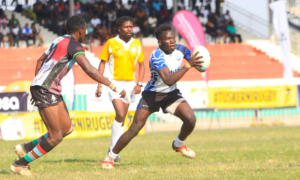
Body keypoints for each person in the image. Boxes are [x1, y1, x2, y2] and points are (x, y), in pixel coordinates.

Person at [10, 15, 126, 175]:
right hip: (46, 89)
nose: (85, 32)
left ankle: (25, 148)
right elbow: (89, 69)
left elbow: (39, 60)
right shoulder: (74, 45)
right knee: (56, 137)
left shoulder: (58, 40)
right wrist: (112, 85)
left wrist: (36, 84)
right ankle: (20, 164)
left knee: (66, 128)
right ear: (80, 30)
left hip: (46, 88)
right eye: (85, 29)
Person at [100, 24, 204, 169]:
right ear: (160, 42)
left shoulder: (181, 49)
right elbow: (168, 80)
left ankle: (178, 144)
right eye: (168, 39)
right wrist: (188, 65)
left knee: (191, 119)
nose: (172, 41)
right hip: (152, 95)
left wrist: (203, 60)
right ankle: (109, 158)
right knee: (134, 129)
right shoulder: (156, 56)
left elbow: (195, 61)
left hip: (171, 95)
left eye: (173, 38)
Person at [95, 16, 145, 162]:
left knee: (122, 118)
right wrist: (100, 84)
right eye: (126, 27)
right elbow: (102, 63)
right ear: (119, 29)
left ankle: (113, 151)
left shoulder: (137, 44)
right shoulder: (111, 43)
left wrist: (139, 84)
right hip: (113, 83)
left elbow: (142, 65)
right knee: (121, 114)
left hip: (130, 84)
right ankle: (112, 151)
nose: (129, 29)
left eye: (131, 26)